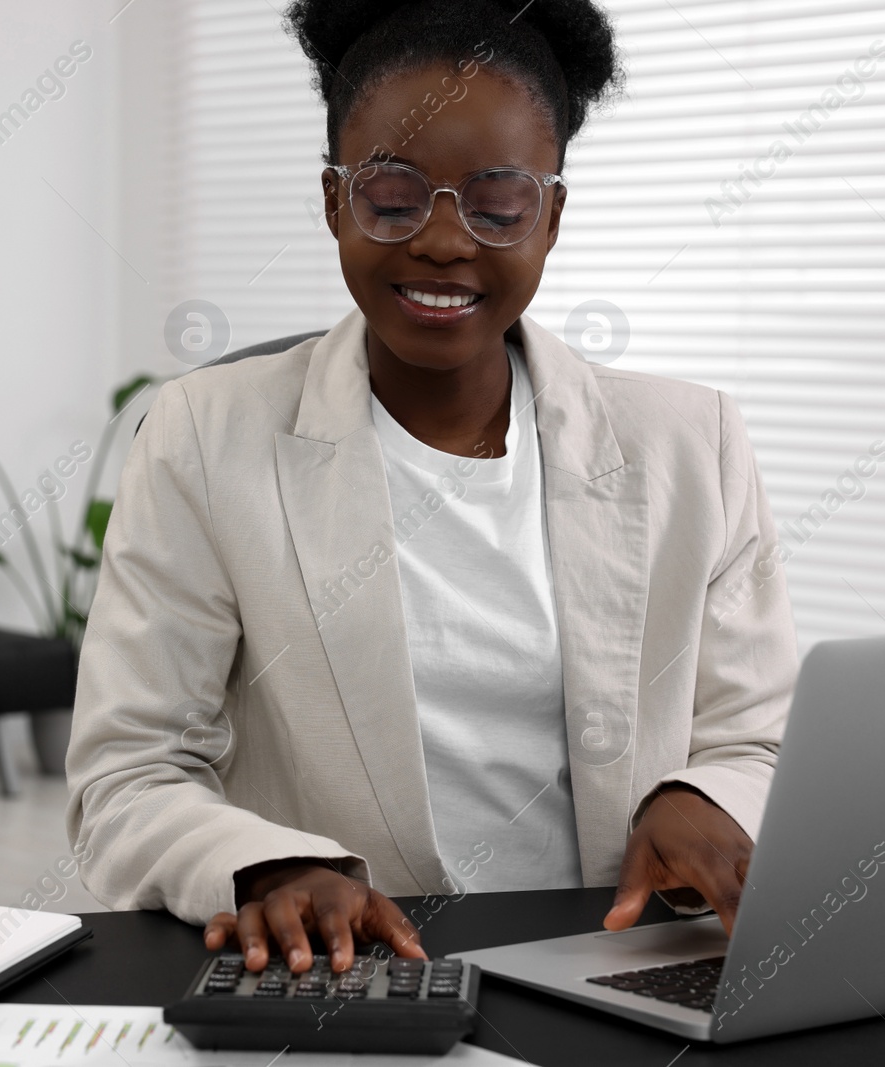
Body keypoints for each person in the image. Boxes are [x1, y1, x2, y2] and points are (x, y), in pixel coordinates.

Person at [66, 0, 798, 977]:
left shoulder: (689, 442)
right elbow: (130, 771)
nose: (444, 242)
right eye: (391, 196)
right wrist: (271, 865)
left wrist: (704, 796)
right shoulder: (205, 436)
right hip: (343, 978)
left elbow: (758, 734)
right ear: (333, 202)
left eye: (497, 205)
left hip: (623, 964)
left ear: (550, 214)